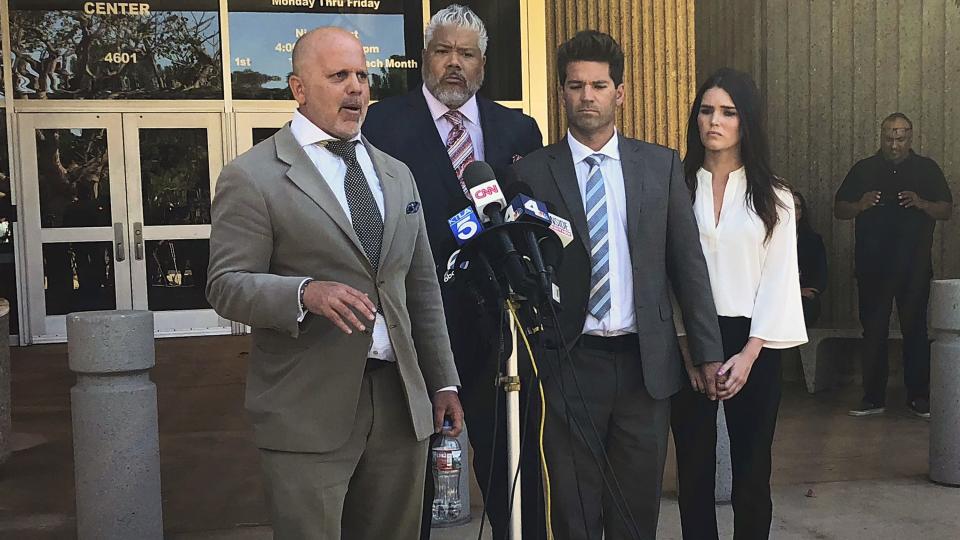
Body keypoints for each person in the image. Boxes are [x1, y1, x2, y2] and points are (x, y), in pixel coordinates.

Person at [205, 27, 463, 539]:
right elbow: (226, 284)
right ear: (299, 89)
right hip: (308, 407)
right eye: (339, 76)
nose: (357, 89)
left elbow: (421, 287)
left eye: (363, 76)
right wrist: (304, 293)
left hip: (398, 402)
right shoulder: (254, 176)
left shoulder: (396, 174)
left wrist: (443, 381)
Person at [511, 30, 723, 539]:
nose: (588, 96)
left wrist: (707, 349)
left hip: (644, 366)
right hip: (568, 360)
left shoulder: (660, 165)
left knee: (636, 510)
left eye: (600, 85)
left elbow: (687, 264)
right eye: (576, 85)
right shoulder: (533, 174)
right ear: (561, 92)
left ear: (620, 93)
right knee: (574, 508)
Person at [363, 5, 544, 539]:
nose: (454, 64)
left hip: (496, 335)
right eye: (443, 51)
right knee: (410, 485)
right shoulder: (381, 125)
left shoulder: (517, 128)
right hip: (414, 333)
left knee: (511, 476)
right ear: (425, 58)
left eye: (466, 54)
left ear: (483, 65)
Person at [670, 67, 808, 540]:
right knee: (693, 467)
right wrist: (688, 348)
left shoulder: (776, 198)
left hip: (754, 342)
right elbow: (665, 273)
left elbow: (778, 281)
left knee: (752, 470)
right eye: (706, 110)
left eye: (728, 112)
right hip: (688, 338)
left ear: (745, 121)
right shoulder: (675, 188)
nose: (715, 121)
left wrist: (750, 355)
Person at [834, 112, 953, 418]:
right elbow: (839, 208)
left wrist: (922, 203)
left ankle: (918, 396)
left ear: (910, 137)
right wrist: (860, 204)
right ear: (881, 136)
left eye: (900, 137)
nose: (895, 143)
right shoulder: (864, 169)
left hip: (914, 266)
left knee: (915, 330)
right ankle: (873, 397)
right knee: (873, 331)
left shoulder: (926, 169)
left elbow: (946, 209)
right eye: (889, 136)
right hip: (873, 266)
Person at [794, 190, 827, 326]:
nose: (793, 210)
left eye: (797, 206)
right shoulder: (768, 239)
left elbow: (821, 276)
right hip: (776, 296)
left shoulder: (813, 240)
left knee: (808, 305)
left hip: (804, 296)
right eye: (789, 205)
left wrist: (805, 291)